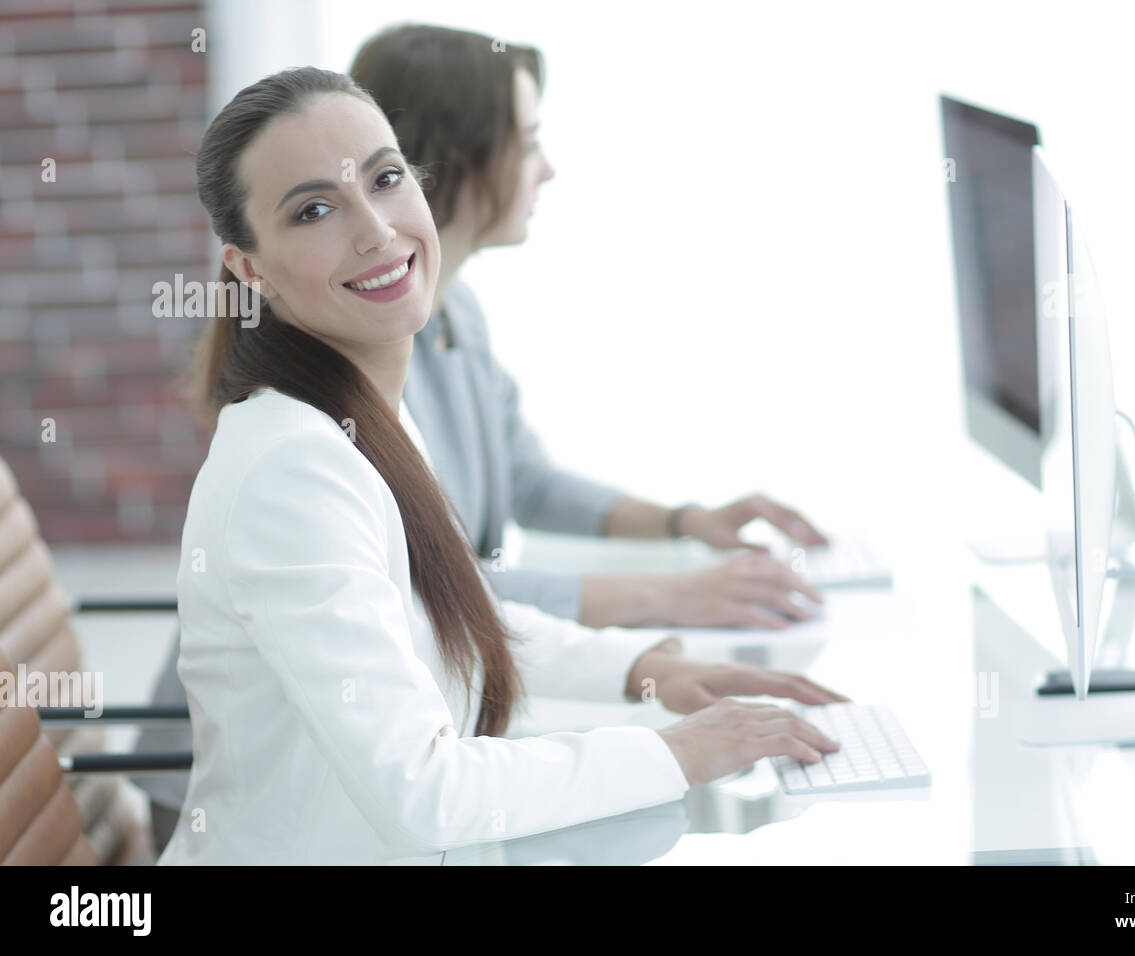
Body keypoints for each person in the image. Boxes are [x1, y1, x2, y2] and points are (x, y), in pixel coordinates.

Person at [155, 66, 845, 863]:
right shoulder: (293, 472)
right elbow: (427, 792)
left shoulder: (360, 414)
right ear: (252, 272)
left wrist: (642, 668)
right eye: (314, 210)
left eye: (385, 178)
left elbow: (455, 619)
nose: (376, 230)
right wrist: (680, 751)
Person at [349, 25, 833, 631]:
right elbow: (438, 595)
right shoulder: (368, 360)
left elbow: (529, 483)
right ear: (457, 156)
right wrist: (672, 596)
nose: (546, 171)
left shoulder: (456, 309)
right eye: (527, 145)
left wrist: (683, 522)